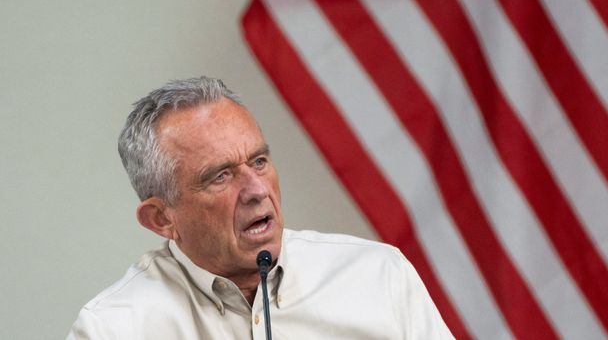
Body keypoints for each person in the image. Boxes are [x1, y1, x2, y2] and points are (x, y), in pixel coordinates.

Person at [67, 77, 454, 339]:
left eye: (258, 162)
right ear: (161, 218)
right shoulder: (115, 328)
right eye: (220, 176)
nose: (256, 190)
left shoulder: (379, 276)